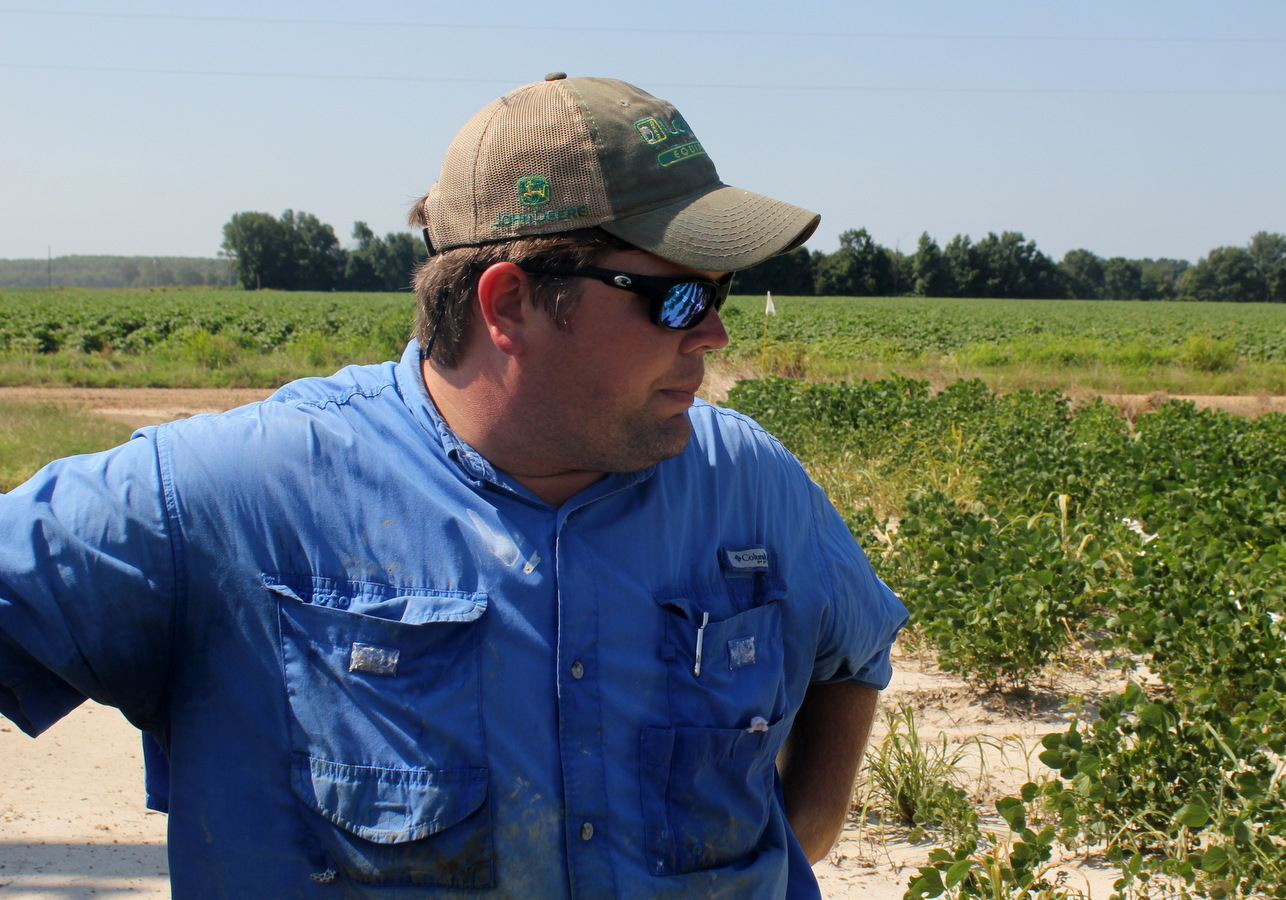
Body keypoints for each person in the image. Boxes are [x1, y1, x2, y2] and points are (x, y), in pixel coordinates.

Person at [0, 73, 907, 899]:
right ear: (509, 302)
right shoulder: (235, 495)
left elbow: (852, 653)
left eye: (721, 293)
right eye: (674, 298)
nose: (711, 335)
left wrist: (796, 836)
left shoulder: (746, 483)